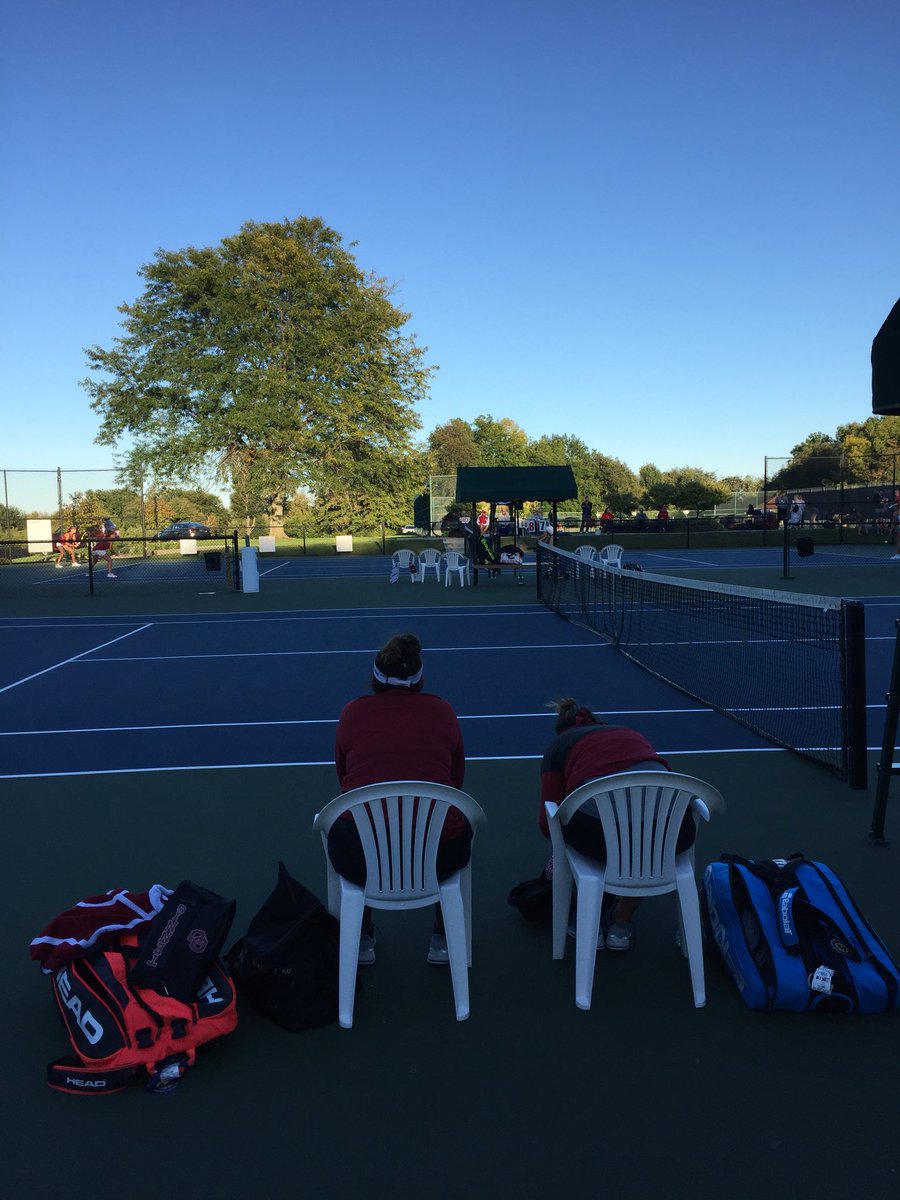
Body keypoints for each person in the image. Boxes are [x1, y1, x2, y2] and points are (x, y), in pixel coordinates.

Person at [332, 633, 470, 966]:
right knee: (450, 821)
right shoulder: (443, 711)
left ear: (375, 678)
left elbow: (344, 778)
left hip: (362, 855)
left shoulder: (352, 713)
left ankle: (361, 936)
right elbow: (455, 782)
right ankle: (443, 935)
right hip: (439, 852)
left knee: (357, 823)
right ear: (419, 677)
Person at [538, 698, 694, 951]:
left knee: (568, 833)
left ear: (561, 728)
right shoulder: (632, 734)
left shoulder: (559, 744)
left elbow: (548, 822)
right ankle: (621, 924)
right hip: (671, 834)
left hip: (598, 839)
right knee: (645, 841)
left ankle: (587, 921)